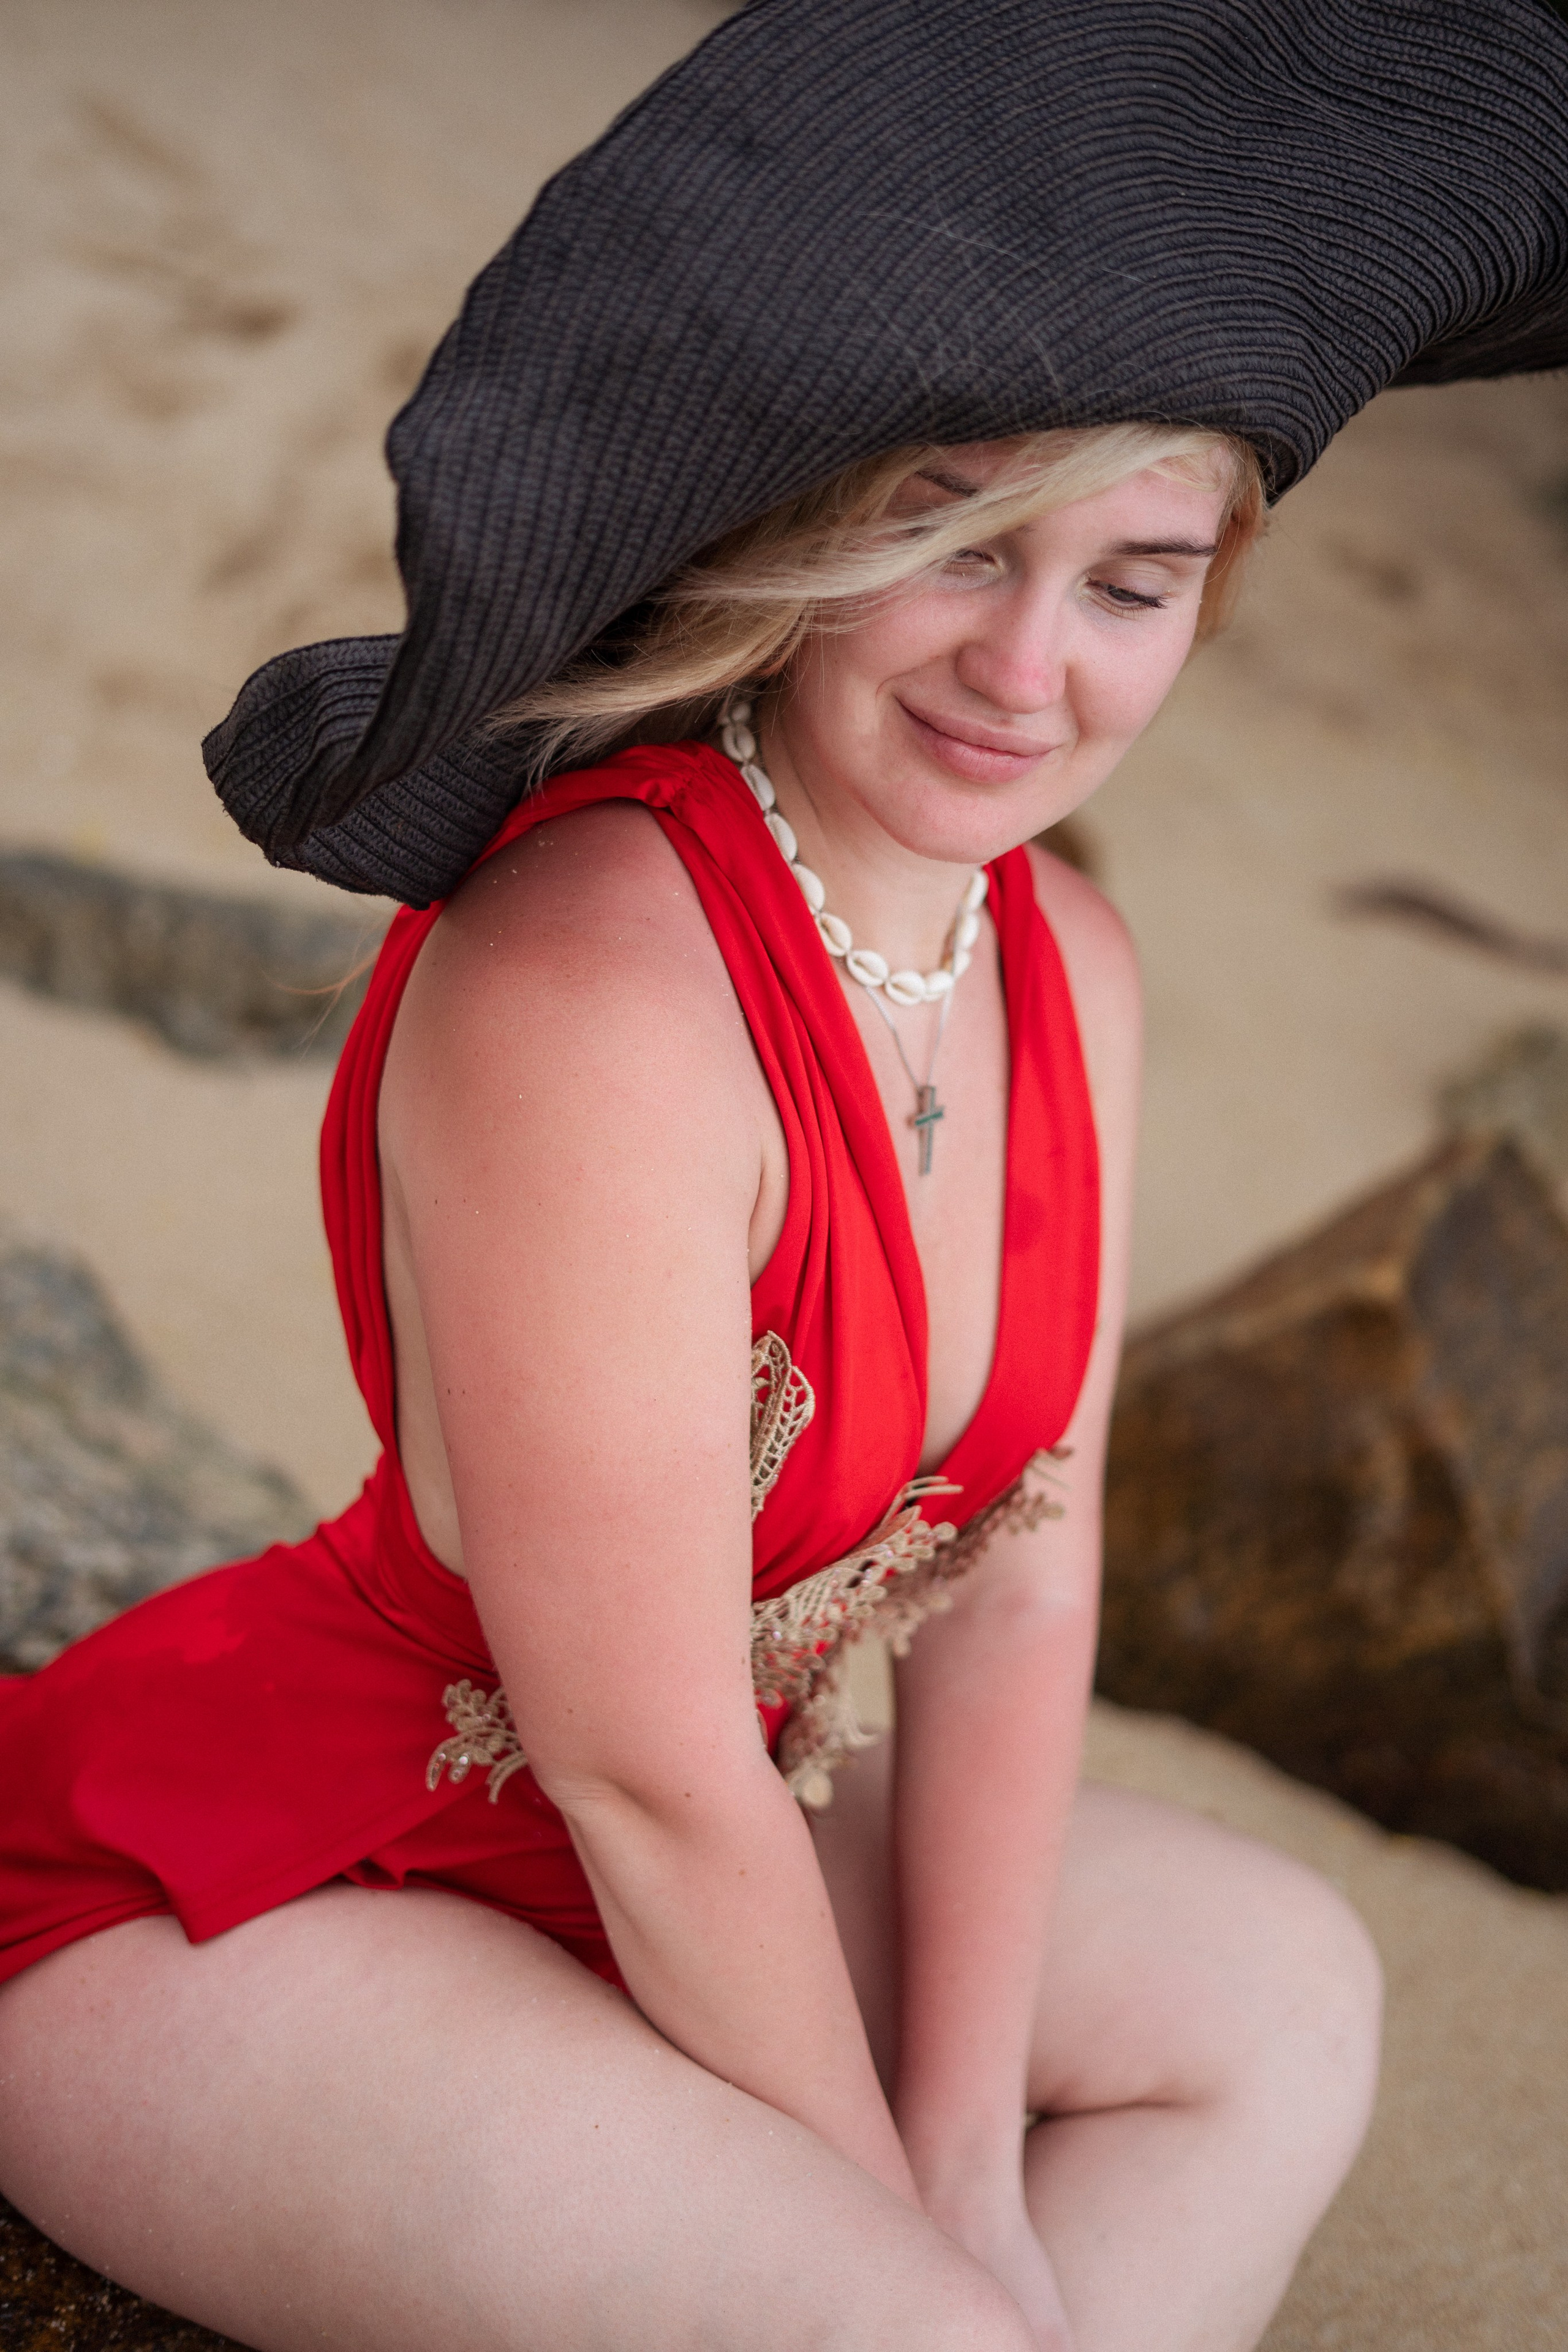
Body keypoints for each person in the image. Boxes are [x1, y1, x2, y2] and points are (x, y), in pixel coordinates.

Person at [2, 3, 1565, 2347]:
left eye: (1131, 581)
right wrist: (904, 2238)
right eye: (956, 535)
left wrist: (971, 2164)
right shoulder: (594, 982)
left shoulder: (1071, 967)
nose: (1026, 668)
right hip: (281, 1875)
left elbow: (1021, 1596)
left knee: (1282, 1992)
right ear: (817, 520)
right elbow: (638, 1771)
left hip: (695, 1830)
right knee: (900, 2321)